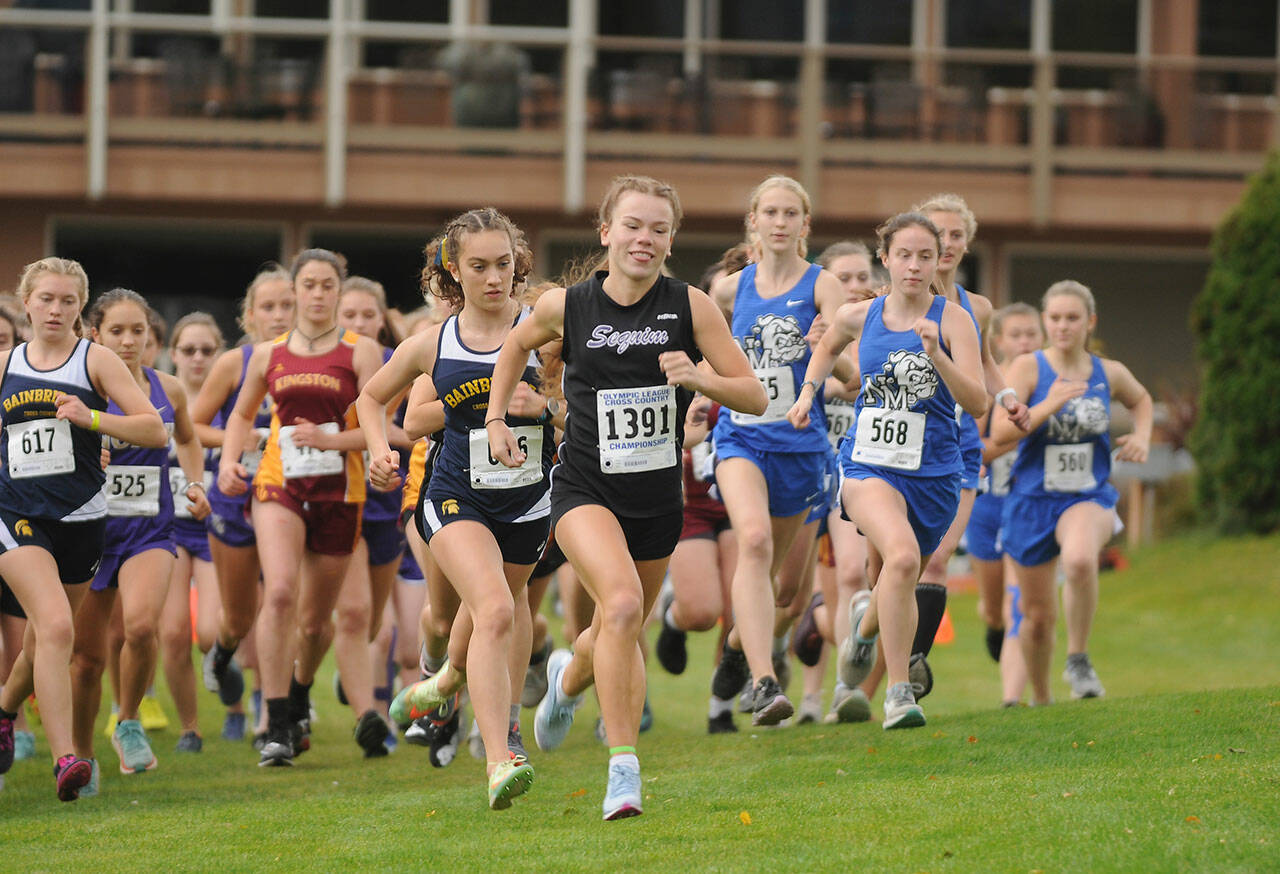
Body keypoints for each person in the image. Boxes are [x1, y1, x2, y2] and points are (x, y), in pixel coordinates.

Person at [486, 175, 766, 820]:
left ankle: (565, 681)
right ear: (607, 231)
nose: (646, 239)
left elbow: (754, 395)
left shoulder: (691, 307)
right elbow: (515, 346)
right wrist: (499, 418)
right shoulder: (568, 306)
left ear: (671, 240)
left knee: (614, 629)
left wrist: (700, 377)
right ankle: (624, 771)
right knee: (618, 605)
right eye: (634, 226)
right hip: (584, 487)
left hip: (658, 499)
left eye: (660, 229)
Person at [366, 208, 554, 809]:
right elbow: (372, 401)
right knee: (495, 607)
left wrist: (547, 408)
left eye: (504, 264)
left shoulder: (546, 334)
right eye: (479, 266)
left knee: (500, 606)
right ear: (454, 269)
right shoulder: (432, 344)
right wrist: (378, 452)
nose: (494, 278)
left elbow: (578, 409)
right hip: (455, 494)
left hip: (528, 501)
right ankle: (501, 758)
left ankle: (445, 680)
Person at [786, 212, 987, 729]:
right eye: (904, 255)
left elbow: (979, 402)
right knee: (899, 559)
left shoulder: (955, 320)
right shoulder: (862, 316)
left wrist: (937, 356)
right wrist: (808, 392)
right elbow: (828, 346)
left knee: (897, 574)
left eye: (925, 256)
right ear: (887, 258)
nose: (915, 266)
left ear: (938, 259)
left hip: (936, 475)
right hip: (867, 465)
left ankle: (863, 623)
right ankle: (900, 692)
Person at [0, 258, 167, 801]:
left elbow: (152, 428)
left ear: (80, 309)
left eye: (68, 301)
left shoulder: (93, 360)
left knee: (44, 638)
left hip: (81, 519)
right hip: (15, 515)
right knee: (53, 627)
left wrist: (92, 418)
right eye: (46, 298)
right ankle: (67, 759)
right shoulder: (3, 365)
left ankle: (3, 711)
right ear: (25, 302)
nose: (55, 309)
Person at [218, 248, 387, 766]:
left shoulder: (362, 353)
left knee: (317, 625)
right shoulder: (268, 355)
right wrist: (228, 461)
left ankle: (297, 694)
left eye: (326, 285)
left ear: (339, 291)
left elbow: (376, 427)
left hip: (341, 491)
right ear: (294, 291)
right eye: (308, 285)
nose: (317, 294)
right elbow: (242, 414)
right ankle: (275, 724)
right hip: (280, 484)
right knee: (282, 592)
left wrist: (336, 444)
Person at [705, 175, 849, 727]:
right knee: (756, 542)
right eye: (771, 212)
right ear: (755, 222)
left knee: (787, 588)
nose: (781, 222)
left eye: (792, 214)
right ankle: (765, 681)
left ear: (805, 225)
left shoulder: (823, 286)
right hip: (742, 438)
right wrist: (702, 394)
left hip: (800, 445)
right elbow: (715, 355)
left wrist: (824, 353)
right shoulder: (728, 289)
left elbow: (848, 368)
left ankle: (740, 647)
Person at [69, 289, 211, 789]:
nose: (128, 341)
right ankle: (83, 756)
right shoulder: (82, 389)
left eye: (138, 332)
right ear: (94, 335)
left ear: (151, 337)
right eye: (117, 332)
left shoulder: (166, 388)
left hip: (150, 528)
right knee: (86, 658)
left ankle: (128, 720)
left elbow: (189, 439)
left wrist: (194, 484)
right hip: (89, 530)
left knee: (142, 627)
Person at [991, 281, 1152, 704]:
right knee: (1038, 618)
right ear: (1045, 322)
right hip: (1031, 501)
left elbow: (1141, 399)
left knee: (1080, 561)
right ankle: (1043, 699)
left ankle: (1078, 658)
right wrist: (1049, 403)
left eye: (1072, 318)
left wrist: (1144, 437)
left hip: (1087, 495)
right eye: (1055, 318)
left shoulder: (1107, 372)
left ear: (1089, 322)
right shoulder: (1027, 369)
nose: (1063, 326)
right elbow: (999, 431)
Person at [191, 266, 295, 743]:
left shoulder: (319, 362)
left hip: (294, 497)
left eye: (286, 305)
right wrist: (244, 437)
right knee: (235, 619)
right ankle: (223, 652)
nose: (278, 315)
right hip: (236, 496)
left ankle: (267, 708)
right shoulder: (236, 363)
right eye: (268, 307)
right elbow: (193, 427)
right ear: (250, 315)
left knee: (280, 598)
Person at [334, 277, 409, 751]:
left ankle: (355, 673)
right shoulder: (326, 364)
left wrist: (388, 439)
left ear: (382, 320)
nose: (360, 324)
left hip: (389, 501)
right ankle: (371, 717)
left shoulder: (400, 363)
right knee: (356, 614)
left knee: (378, 619)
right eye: (350, 316)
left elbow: (404, 431)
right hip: (342, 500)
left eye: (368, 316)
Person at [964, 303, 1042, 705]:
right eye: (1016, 334)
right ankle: (992, 626)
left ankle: (1012, 698)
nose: (1025, 341)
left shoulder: (1049, 380)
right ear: (999, 341)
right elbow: (975, 449)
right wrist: (1019, 431)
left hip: (1028, 505)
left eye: (1032, 333)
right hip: (988, 507)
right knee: (995, 609)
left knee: (1020, 604)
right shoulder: (990, 384)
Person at [159, 313, 225, 748]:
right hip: (168, 531)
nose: (198, 359)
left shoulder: (229, 403)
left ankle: (221, 660)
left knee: (211, 633)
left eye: (207, 350)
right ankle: (189, 726)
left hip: (216, 530)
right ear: (173, 354)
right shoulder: (156, 399)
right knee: (173, 633)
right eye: (189, 350)